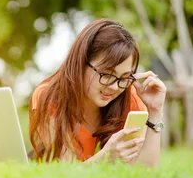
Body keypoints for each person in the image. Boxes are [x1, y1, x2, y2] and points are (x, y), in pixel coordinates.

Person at [29, 19, 166, 166]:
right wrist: (105, 157)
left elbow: (145, 172)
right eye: (106, 74)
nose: (114, 87)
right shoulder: (49, 96)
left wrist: (155, 110)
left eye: (124, 77)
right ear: (81, 63)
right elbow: (65, 175)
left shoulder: (130, 96)